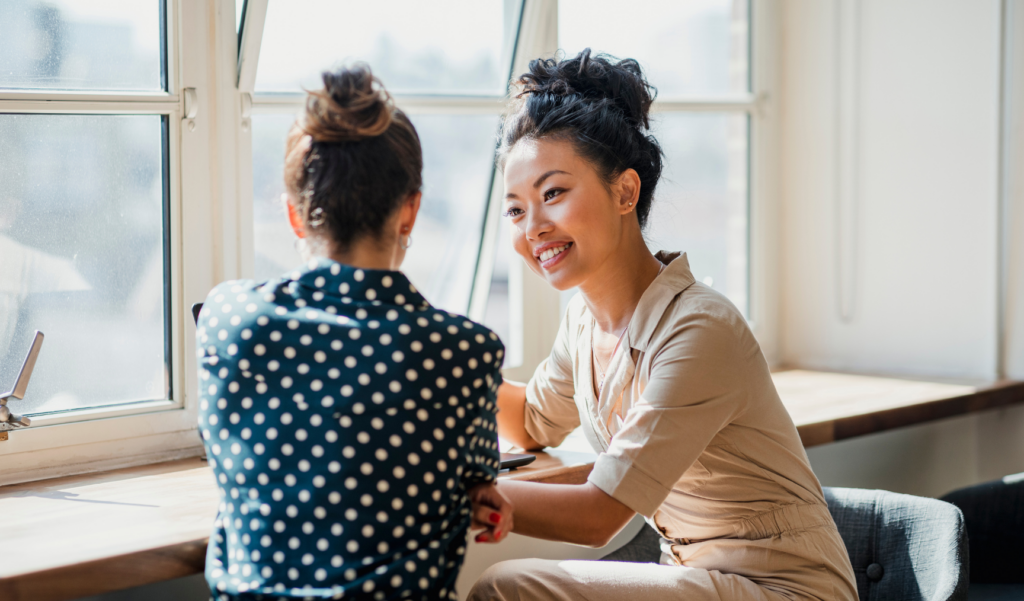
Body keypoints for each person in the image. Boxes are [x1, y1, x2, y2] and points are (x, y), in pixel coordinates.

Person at [468, 49, 858, 601]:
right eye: (515, 209)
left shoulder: (700, 329)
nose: (533, 227)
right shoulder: (583, 322)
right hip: (695, 579)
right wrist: (432, 366)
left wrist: (447, 494)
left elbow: (599, 515)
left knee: (506, 587)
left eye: (553, 193)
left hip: (784, 590)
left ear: (625, 191)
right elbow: (533, 420)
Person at [196, 65, 512, 601]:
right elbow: (478, 478)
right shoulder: (464, 352)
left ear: (296, 216)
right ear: (409, 211)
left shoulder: (228, 317)